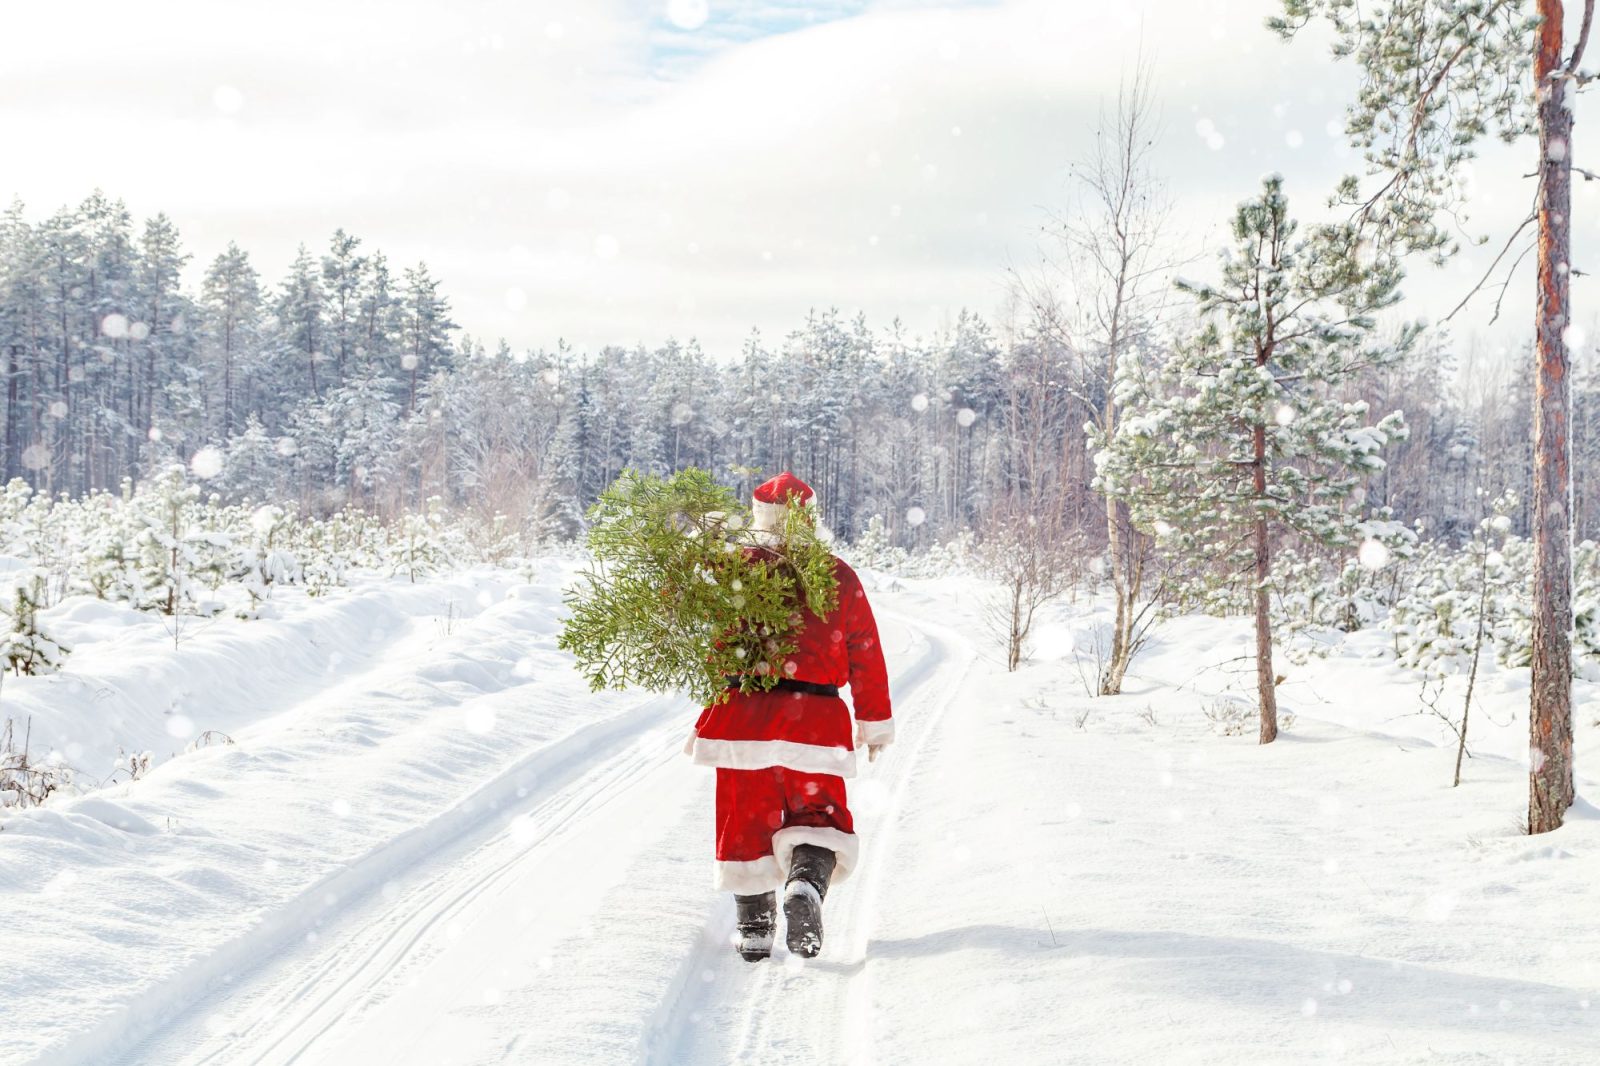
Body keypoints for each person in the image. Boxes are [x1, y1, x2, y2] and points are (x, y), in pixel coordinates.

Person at [682, 471, 894, 961]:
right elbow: (865, 652)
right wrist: (873, 719)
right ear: (808, 520)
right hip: (814, 722)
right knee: (819, 817)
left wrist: (701, 544)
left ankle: (755, 929)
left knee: (743, 822)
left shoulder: (731, 568)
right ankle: (806, 884)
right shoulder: (836, 574)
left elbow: (705, 637)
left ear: (760, 519)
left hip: (742, 717)